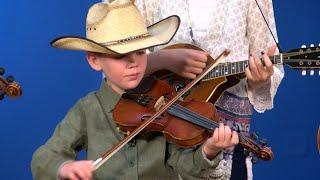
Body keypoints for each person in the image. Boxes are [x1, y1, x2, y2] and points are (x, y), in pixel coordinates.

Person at [31, 0, 239, 179]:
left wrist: (209, 150)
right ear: (95, 60)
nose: (134, 63)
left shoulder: (165, 103)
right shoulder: (88, 109)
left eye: (140, 52)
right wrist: (65, 167)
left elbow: (186, 169)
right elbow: (46, 156)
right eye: (120, 55)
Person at [133, 0, 285, 179]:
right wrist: (163, 59)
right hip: (163, 131)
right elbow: (122, 60)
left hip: (225, 140)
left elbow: (269, 63)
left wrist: (261, 81)